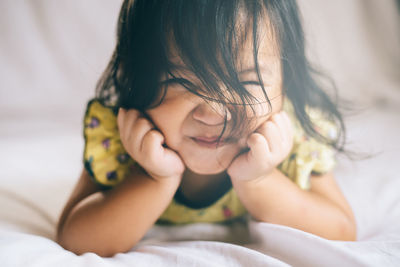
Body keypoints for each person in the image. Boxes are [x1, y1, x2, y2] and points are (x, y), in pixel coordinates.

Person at [56, 0, 356, 257]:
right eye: (181, 81)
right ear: (135, 79)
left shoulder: (291, 140)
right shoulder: (122, 140)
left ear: (286, 84)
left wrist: (260, 180)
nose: (213, 113)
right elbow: (75, 239)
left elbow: (341, 231)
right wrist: (154, 179)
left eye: (247, 82)